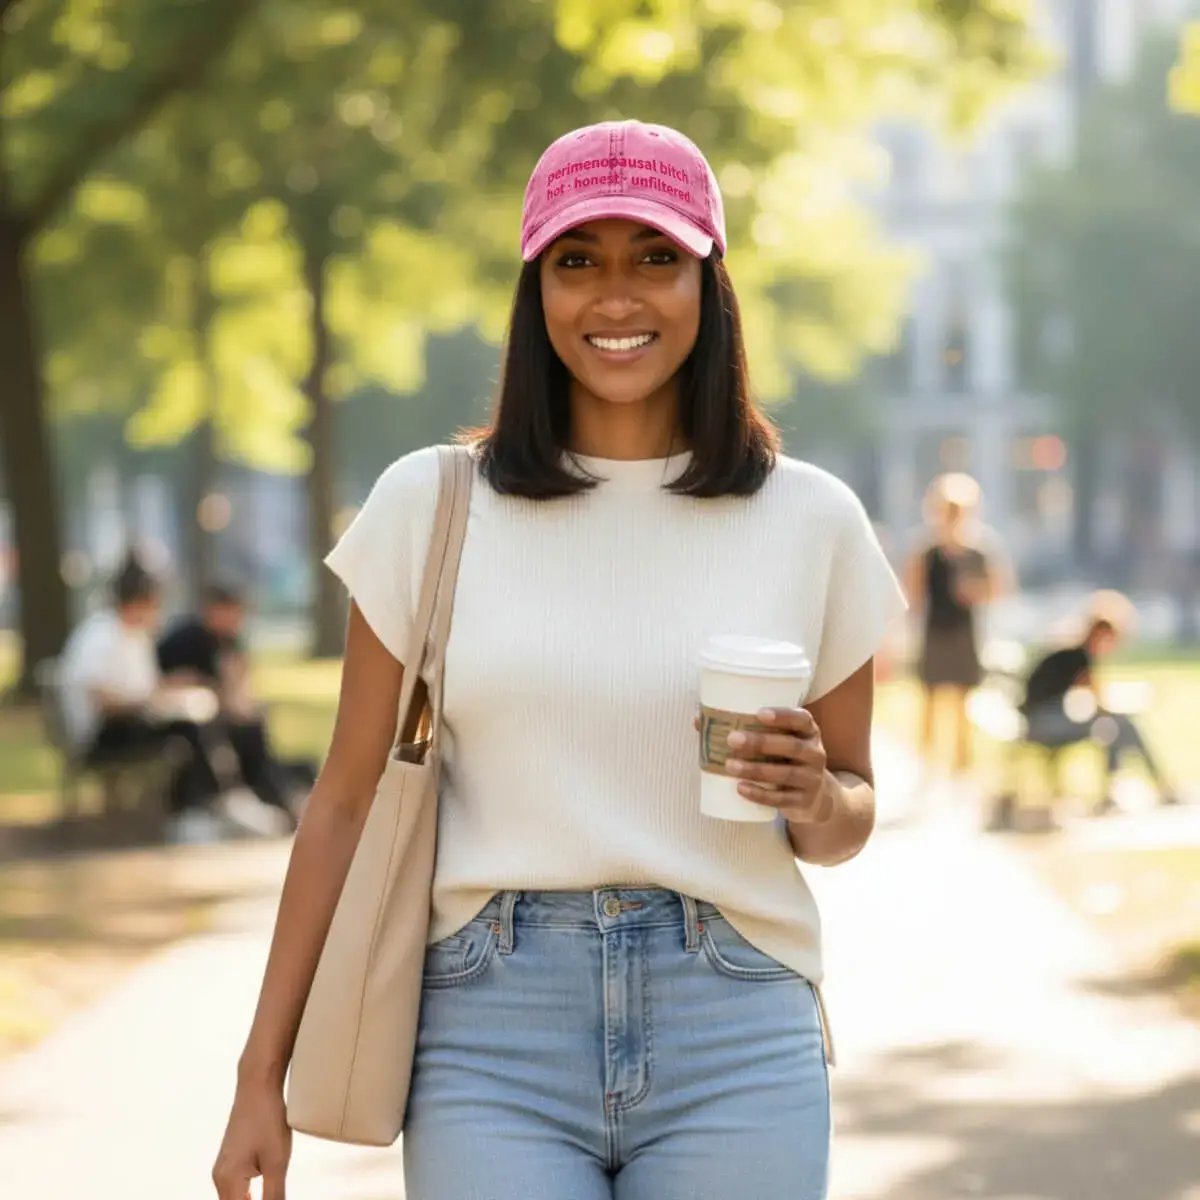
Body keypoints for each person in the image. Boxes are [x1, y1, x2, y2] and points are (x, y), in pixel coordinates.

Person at [213, 120, 907, 1200]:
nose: (615, 298)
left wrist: (815, 792)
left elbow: (852, 818)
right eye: (578, 260)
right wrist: (261, 1075)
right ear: (536, 289)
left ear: (707, 283)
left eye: (656, 258)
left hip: (735, 1023)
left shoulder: (810, 518)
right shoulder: (432, 505)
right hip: (490, 1033)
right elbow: (342, 806)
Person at [59, 554, 224, 829]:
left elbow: (148, 687)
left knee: (202, 722)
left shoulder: (136, 637)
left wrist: (173, 687)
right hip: (102, 733)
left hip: (133, 721)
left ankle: (207, 802)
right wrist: (149, 702)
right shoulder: (101, 635)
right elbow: (101, 699)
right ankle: (194, 810)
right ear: (140, 601)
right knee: (188, 731)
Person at [1020, 591, 1178, 813]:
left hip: (1043, 716)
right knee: (1114, 727)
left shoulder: (1071, 651)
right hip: (1042, 722)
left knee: (1118, 725)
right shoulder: (1079, 656)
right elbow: (1098, 700)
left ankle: (1139, 785)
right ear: (1100, 634)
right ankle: (1138, 786)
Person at [157, 583, 297, 822]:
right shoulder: (185, 640)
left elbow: (239, 685)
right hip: (183, 719)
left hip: (219, 714)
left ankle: (271, 801)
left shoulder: (229, 642)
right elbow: (171, 683)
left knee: (254, 730)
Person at [905, 473, 1007, 776]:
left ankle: (961, 767)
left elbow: (998, 589)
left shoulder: (981, 550)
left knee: (964, 702)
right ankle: (926, 765)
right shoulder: (925, 550)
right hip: (935, 630)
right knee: (930, 701)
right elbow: (913, 592)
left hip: (965, 631)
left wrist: (974, 592)